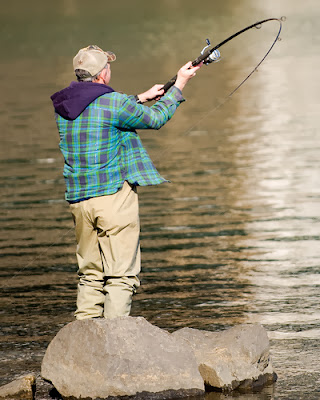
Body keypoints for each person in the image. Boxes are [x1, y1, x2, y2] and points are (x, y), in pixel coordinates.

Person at [51, 45, 202, 320]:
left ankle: (84, 344)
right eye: (108, 67)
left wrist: (140, 98)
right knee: (120, 277)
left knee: (90, 276)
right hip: (113, 200)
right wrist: (179, 84)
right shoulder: (115, 103)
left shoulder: (64, 107)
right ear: (102, 75)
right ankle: (115, 346)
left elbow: (97, 111)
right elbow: (156, 119)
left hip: (79, 202)